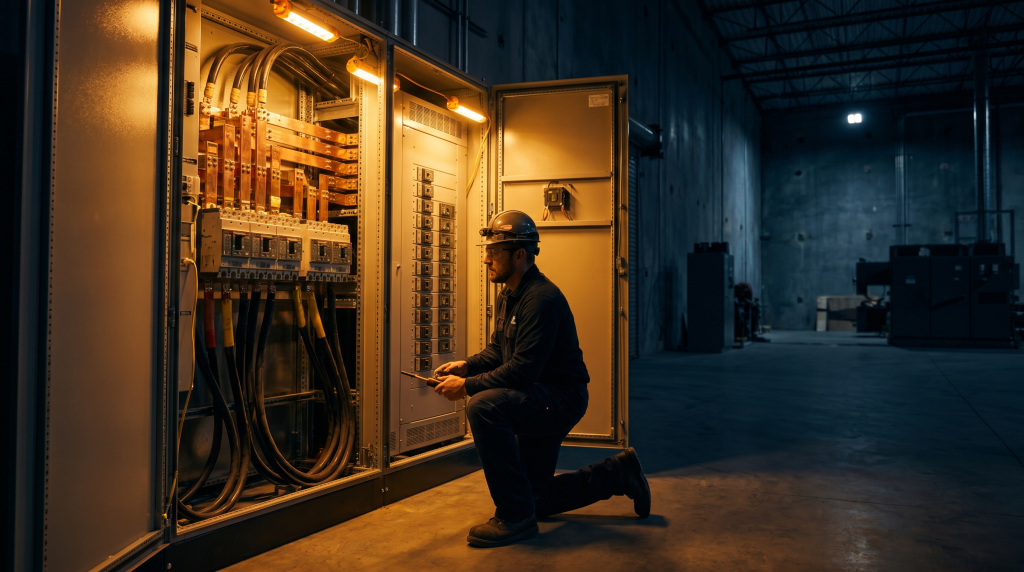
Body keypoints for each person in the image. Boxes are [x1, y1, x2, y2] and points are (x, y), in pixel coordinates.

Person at [432, 210, 651, 548]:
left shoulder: (541, 299)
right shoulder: (510, 294)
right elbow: (498, 352)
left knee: (484, 406)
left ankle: (513, 518)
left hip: (559, 398)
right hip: (538, 396)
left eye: (494, 251)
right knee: (537, 499)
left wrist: (468, 387)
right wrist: (465, 366)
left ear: (519, 254)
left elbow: (522, 371)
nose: (486, 258)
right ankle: (617, 474)